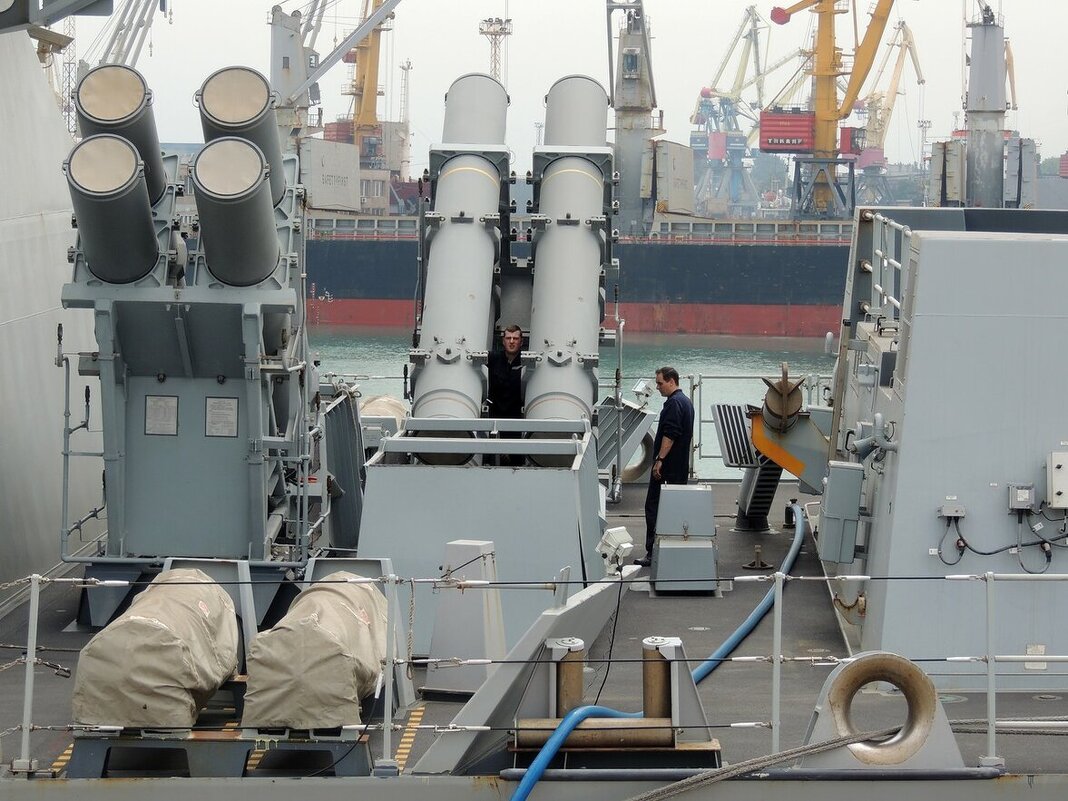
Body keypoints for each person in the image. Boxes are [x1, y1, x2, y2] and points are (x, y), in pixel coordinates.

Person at [636, 366, 695, 567]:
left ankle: (652, 552)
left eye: (660, 383)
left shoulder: (673, 404)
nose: (658, 387)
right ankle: (672, 547)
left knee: (653, 507)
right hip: (679, 467)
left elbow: (670, 434)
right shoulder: (686, 402)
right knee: (674, 508)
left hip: (667, 468)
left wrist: (659, 460)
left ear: (671, 381)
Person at [486, 325, 525, 465]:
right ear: (503, 341)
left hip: (516, 419)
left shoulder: (526, 362)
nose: (512, 341)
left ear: (521, 342)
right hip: (495, 415)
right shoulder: (493, 359)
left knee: (515, 462)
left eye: (515, 338)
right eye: (508, 338)